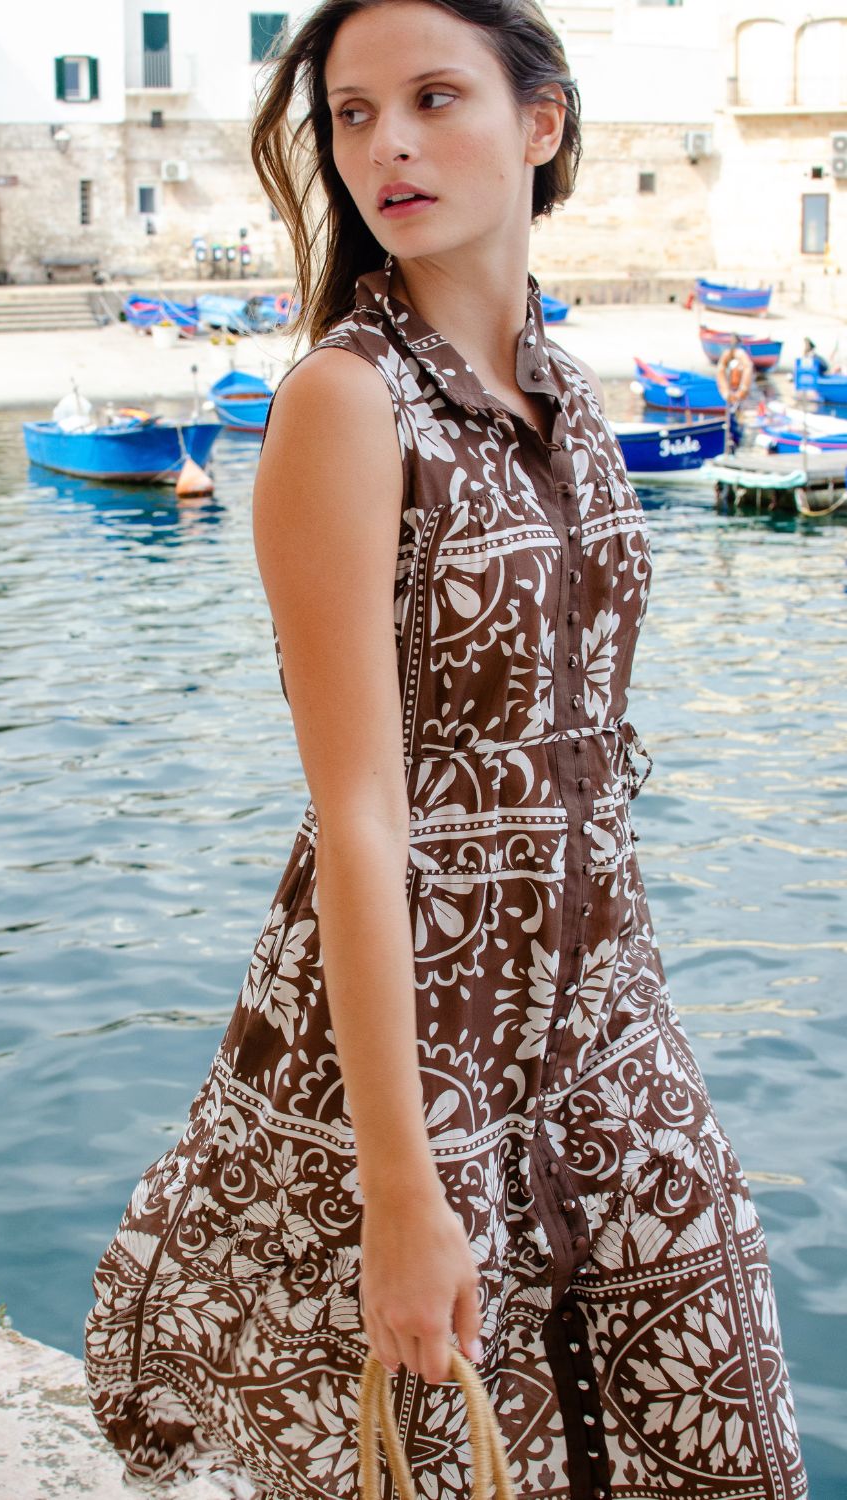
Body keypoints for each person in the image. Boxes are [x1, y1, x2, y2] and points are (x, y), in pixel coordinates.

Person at [84, 4, 807, 1498]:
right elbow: (357, 815)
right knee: (469, 1453)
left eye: (430, 98)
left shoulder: (575, 395)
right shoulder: (346, 405)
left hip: (605, 998)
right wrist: (398, 1189)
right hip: (420, 1036)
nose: (387, 146)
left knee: (715, 1423)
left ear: (541, 123)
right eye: (352, 114)